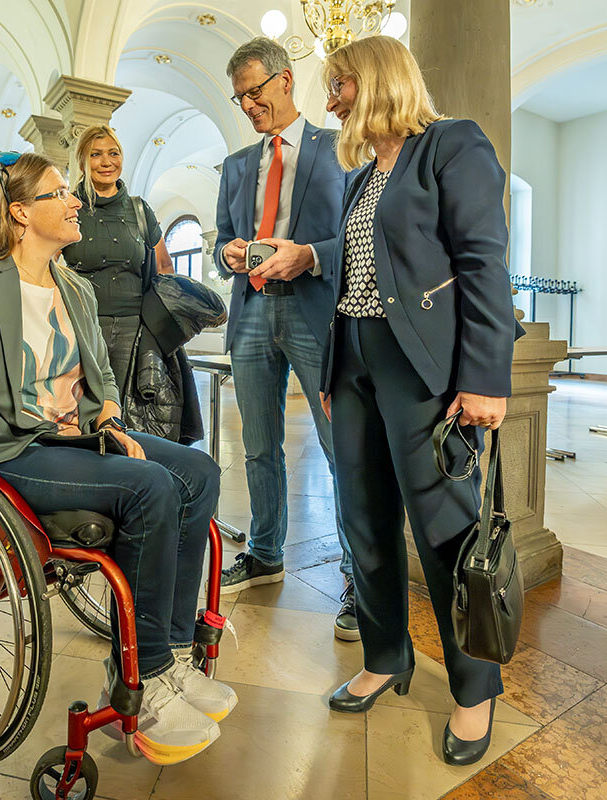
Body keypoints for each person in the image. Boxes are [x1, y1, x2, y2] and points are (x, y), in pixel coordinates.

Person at [0, 151, 235, 766]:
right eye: (61, 192)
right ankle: (145, 678)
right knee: (150, 488)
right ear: (21, 212)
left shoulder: (74, 286)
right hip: (3, 454)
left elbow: (101, 375)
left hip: (71, 438)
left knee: (197, 471)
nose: (76, 199)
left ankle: (173, 652)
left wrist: (108, 413)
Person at [319, 36, 523, 765]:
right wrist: (331, 364)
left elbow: (483, 262)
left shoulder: (450, 145)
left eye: (337, 85)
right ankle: (385, 656)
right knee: (363, 522)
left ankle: (475, 690)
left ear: (373, 79)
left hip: (424, 367)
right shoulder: (356, 178)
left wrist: (487, 375)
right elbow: (352, 274)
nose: (331, 99)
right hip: (355, 361)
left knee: (444, 533)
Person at [213, 37, 357, 641]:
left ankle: (358, 574)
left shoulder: (337, 150)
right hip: (249, 313)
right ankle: (266, 550)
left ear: (285, 81)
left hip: (313, 313)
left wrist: (310, 257)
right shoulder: (237, 166)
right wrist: (228, 252)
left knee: (337, 447)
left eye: (255, 92)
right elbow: (222, 239)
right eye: (239, 97)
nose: (248, 105)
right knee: (258, 446)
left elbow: (360, 236)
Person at [61, 125, 204, 443]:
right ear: (83, 160)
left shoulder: (139, 210)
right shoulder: (69, 207)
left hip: (133, 326)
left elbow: (164, 267)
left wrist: (165, 325)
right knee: (81, 409)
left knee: (130, 414)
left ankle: (130, 478)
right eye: (96, 154)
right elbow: (47, 261)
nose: (106, 161)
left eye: (114, 153)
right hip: (82, 324)